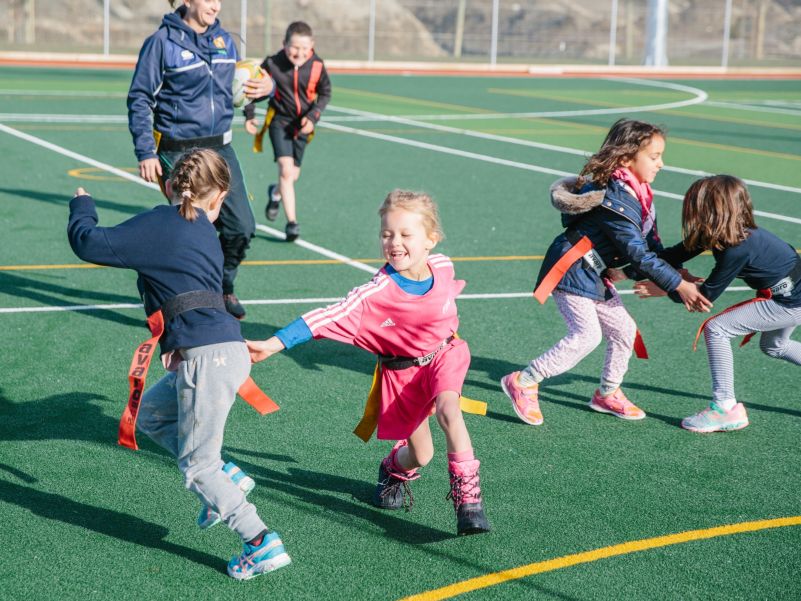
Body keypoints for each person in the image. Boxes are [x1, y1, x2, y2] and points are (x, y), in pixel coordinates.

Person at [67, 148, 290, 581]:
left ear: (169, 186)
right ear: (220, 197)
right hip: (227, 351)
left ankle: (260, 540)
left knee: (197, 466)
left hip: (207, 359)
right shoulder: (206, 228)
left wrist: (83, 205)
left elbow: (87, 242)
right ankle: (226, 476)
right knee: (152, 413)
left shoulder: (160, 222)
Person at [246, 190, 490, 536]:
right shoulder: (375, 293)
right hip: (402, 374)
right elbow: (324, 317)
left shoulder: (443, 265)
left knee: (450, 410)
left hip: (444, 356)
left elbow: (445, 297)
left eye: (406, 234)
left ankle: (469, 502)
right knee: (421, 455)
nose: (395, 242)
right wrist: (272, 344)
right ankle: (392, 468)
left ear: (431, 240)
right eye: (387, 234)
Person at [501, 118, 711, 426]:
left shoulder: (638, 195)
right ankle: (523, 381)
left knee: (624, 331)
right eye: (654, 157)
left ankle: (607, 393)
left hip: (594, 273)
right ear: (626, 158)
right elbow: (638, 255)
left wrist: (678, 272)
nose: (661, 164)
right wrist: (676, 285)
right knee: (586, 335)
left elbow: (652, 248)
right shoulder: (618, 199)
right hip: (572, 268)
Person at [127, 0, 275, 320]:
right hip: (177, 150)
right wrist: (145, 152)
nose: (216, 6)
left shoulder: (226, 42)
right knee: (184, 230)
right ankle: (159, 292)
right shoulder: (161, 43)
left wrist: (267, 88)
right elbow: (140, 98)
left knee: (241, 227)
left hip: (220, 148)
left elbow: (237, 91)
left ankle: (223, 286)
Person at [634, 175, 801, 433]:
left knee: (717, 329)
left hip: (790, 302)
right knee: (774, 346)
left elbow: (705, 298)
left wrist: (666, 287)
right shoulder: (722, 233)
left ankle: (725, 408)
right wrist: (627, 271)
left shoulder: (737, 248)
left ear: (711, 211)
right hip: (790, 296)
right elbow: (673, 255)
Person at [244, 20, 332, 242]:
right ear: (284, 44)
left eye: (304, 48)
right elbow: (252, 86)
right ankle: (292, 223)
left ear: (312, 45)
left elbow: (325, 93)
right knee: (285, 170)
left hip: (303, 126)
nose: (299, 53)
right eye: (294, 47)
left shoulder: (317, 66)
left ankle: (275, 194)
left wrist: (313, 117)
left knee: (292, 176)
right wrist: (250, 114)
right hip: (279, 122)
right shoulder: (272, 64)